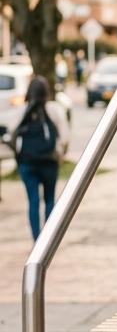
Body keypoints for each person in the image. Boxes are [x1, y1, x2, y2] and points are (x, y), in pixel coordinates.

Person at [9, 77, 70, 240]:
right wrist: (60, 154)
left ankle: (37, 239)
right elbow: (64, 136)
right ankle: (48, 240)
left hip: (27, 163)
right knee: (49, 199)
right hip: (49, 162)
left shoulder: (22, 111)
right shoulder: (55, 109)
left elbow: (11, 134)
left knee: (33, 200)